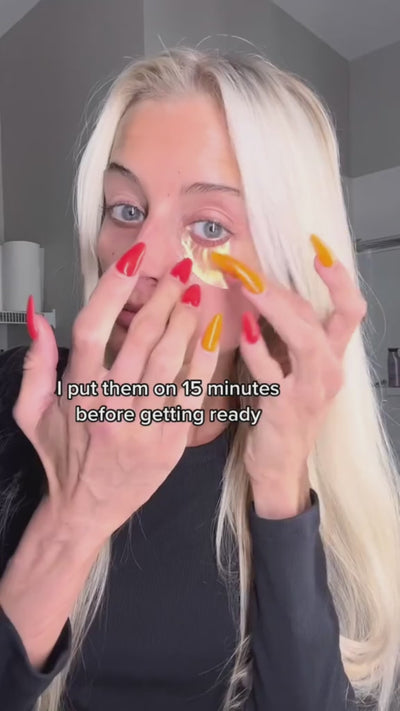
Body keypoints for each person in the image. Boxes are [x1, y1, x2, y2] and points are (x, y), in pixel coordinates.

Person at [0, 45, 399, 711]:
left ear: (283, 270)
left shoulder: (321, 478)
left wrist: (280, 484)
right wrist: (71, 521)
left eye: (210, 225)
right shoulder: (18, 399)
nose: (143, 257)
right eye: (126, 209)